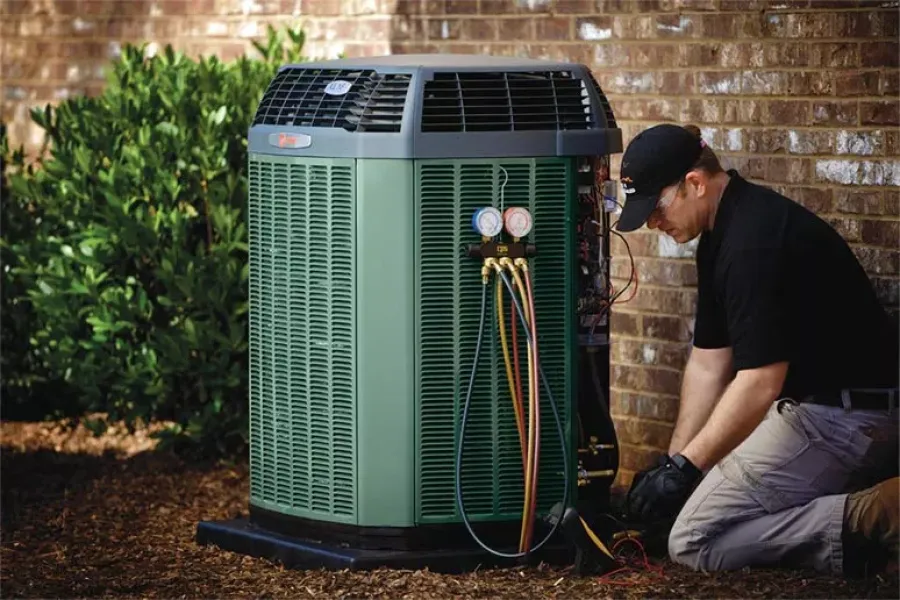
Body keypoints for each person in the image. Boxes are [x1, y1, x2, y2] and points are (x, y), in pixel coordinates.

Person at [613, 123, 899, 577]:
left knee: (693, 542)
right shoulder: (722, 232)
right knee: (693, 517)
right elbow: (709, 363)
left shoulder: (753, 243)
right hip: (810, 411)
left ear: (694, 183)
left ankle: (877, 513)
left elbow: (760, 381)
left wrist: (687, 468)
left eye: (656, 207)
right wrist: (675, 468)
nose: (652, 223)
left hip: (848, 420)